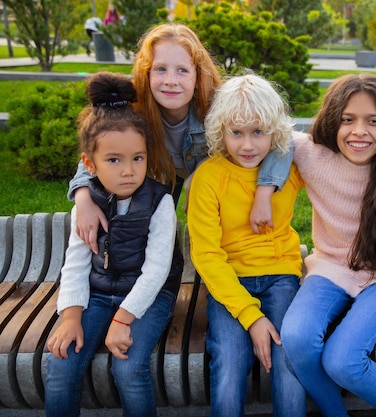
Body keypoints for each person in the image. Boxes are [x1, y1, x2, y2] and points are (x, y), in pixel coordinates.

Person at [68, 23, 291, 253]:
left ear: (198, 75)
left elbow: (285, 140)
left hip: (212, 177)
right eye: (160, 69)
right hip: (162, 171)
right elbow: (98, 148)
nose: (171, 80)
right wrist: (83, 196)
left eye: (182, 70)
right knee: (148, 229)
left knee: (216, 228)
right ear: (147, 73)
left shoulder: (221, 106)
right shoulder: (136, 111)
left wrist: (264, 193)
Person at [280, 73, 376, 417]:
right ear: (332, 119)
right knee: (297, 339)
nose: (359, 131)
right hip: (329, 267)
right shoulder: (311, 153)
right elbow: (264, 133)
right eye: (348, 119)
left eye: (373, 121)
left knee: (342, 361)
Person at [45, 72, 183, 417]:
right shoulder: (88, 202)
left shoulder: (159, 202)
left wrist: (123, 319)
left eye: (138, 158)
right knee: (62, 363)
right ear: (89, 163)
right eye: (114, 160)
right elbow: (76, 262)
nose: (128, 171)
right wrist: (71, 315)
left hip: (149, 299)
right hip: (96, 295)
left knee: (127, 367)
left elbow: (156, 271)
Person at [187, 73, 306, 417]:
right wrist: (251, 317)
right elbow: (206, 255)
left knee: (289, 357)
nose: (248, 145)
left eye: (258, 132)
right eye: (236, 133)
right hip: (229, 281)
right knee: (229, 357)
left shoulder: (289, 169)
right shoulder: (210, 177)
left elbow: (309, 145)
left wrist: (266, 190)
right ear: (220, 132)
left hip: (281, 274)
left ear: (275, 131)